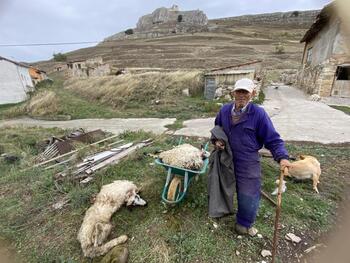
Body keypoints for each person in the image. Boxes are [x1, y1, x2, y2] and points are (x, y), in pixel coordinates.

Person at [213, 78, 291, 236]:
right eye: (239, 91)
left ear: (253, 94)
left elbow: (273, 139)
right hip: (226, 156)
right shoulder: (224, 110)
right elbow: (217, 129)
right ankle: (221, 211)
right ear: (233, 93)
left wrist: (282, 157)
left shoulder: (258, 114)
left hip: (247, 159)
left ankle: (243, 223)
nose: (241, 95)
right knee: (220, 184)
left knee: (249, 192)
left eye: (245, 92)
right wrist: (217, 141)